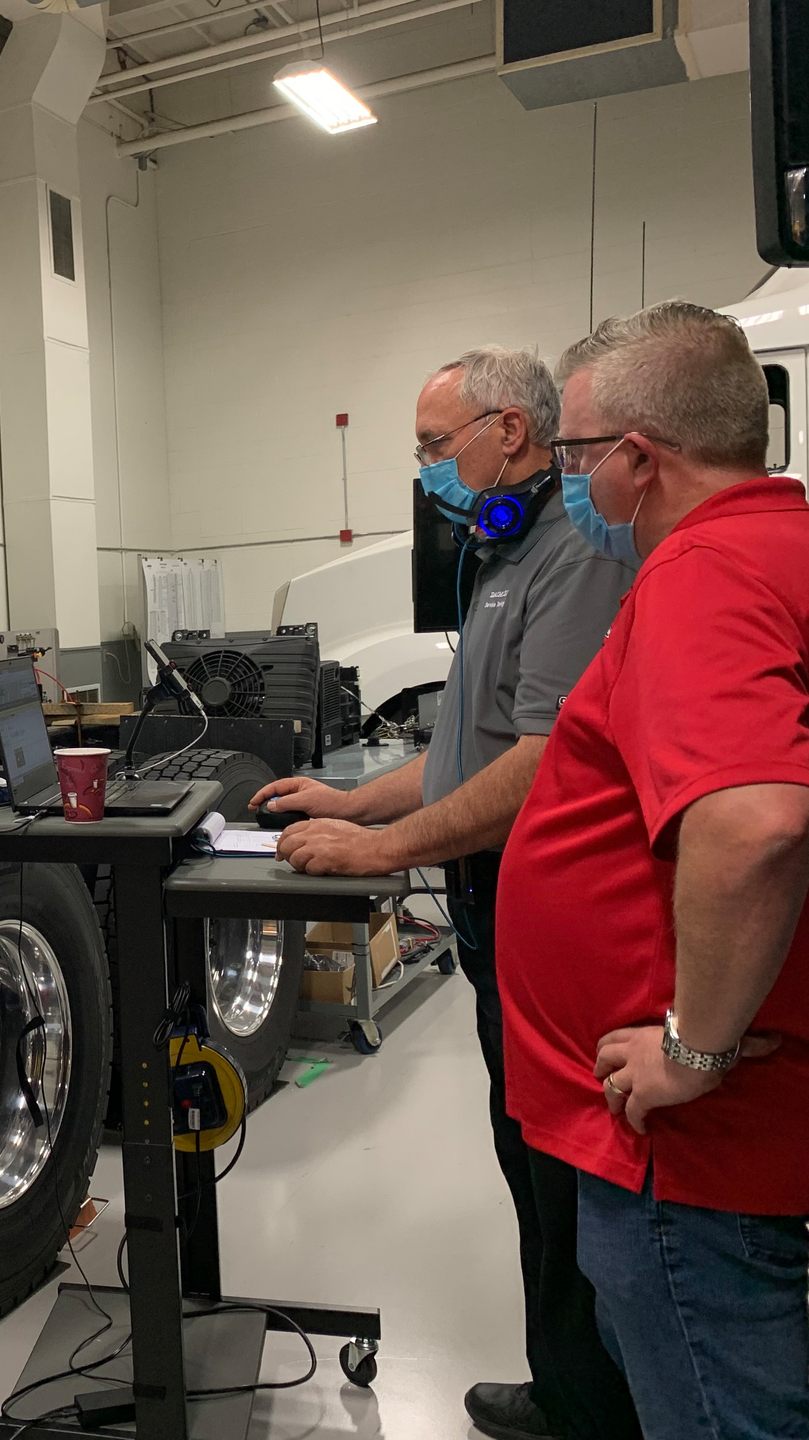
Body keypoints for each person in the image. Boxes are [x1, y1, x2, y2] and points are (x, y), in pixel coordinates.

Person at [494, 303, 809, 1440]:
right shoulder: (801, 559)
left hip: (684, 1140)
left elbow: (758, 823)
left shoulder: (706, 576)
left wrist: (693, 1050)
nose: (568, 484)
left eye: (573, 458)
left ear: (637, 457)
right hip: (708, 1125)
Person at [251, 347, 639, 1440]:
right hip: (485, 901)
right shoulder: (504, 558)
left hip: (541, 897)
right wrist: (358, 800)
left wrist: (382, 857)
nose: (428, 469)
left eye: (435, 446)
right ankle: (566, 1387)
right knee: (528, 1151)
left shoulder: (575, 558)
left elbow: (545, 759)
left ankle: (595, 1409)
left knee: (564, 1170)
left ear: (509, 432)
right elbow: (469, 749)